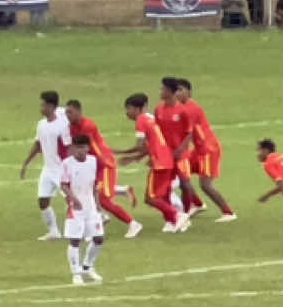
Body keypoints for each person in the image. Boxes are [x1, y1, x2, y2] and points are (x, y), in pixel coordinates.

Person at [65, 98, 139, 238]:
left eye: (70, 112)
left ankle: (133, 224)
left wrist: (95, 169)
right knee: (88, 192)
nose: (68, 116)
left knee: (103, 199)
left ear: (79, 111)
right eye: (66, 113)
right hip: (92, 163)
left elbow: (91, 149)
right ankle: (118, 196)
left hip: (104, 164)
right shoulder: (72, 127)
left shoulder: (88, 126)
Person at [118, 92, 187, 232]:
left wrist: (123, 153)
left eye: (129, 109)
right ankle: (173, 221)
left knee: (151, 198)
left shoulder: (141, 120)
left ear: (137, 109)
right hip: (167, 160)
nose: (127, 113)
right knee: (164, 194)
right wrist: (134, 157)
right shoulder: (152, 118)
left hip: (160, 163)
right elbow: (151, 145)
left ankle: (177, 215)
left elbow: (141, 145)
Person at [174, 79, 236, 222]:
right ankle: (196, 204)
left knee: (205, 185)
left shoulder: (191, 109)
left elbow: (186, 133)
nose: (177, 93)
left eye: (180, 90)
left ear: (189, 92)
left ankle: (229, 213)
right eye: (175, 90)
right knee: (182, 173)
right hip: (199, 149)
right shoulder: (182, 108)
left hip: (208, 149)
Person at [19, 89, 71, 241]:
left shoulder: (62, 126)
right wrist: (26, 163)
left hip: (61, 169)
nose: (41, 108)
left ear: (52, 106)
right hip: (48, 169)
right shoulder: (41, 124)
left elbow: (68, 148)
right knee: (43, 200)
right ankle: (54, 231)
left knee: (72, 200)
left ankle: (84, 227)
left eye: (44, 105)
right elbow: (38, 144)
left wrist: (69, 168)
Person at [155, 76, 204, 220]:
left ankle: (188, 210)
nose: (160, 91)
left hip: (181, 154)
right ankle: (174, 214)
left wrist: (181, 149)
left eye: (163, 89)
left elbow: (189, 132)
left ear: (171, 91)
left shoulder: (183, 111)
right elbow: (157, 131)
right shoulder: (158, 109)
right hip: (165, 154)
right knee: (165, 186)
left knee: (184, 183)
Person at [58, 133, 104, 284]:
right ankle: (76, 273)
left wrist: (98, 204)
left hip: (91, 207)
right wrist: (73, 199)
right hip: (76, 208)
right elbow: (63, 185)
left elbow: (95, 185)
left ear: (88, 148)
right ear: (73, 148)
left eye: (83, 147)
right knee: (75, 241)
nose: (79, 150)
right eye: (77, 147)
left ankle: (88, 267)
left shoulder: (93, 161)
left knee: (98, 239)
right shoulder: (67, 164)